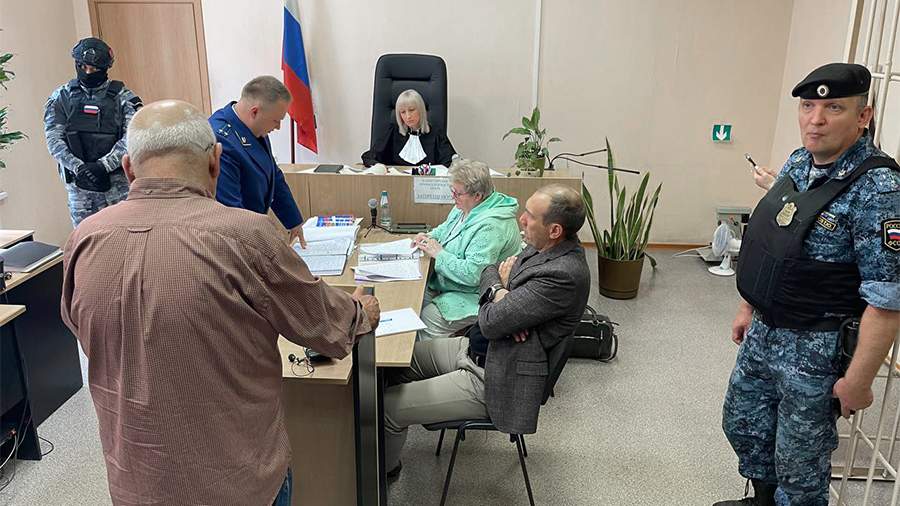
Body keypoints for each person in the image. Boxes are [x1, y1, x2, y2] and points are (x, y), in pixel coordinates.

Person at [60, 99, 380, 506]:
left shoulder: (84, 238)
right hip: (239, 482)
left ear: (128, 168)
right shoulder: (246, 236)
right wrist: (362, 311)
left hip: (135, 483)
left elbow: (81, 328)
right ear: (215, 160)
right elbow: (328, 329)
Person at [719, 63, 900, 506]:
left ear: (863, 116)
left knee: (800, 465)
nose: (815, 119)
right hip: (766, 331)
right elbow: (772, 244)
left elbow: (887, 300)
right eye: (807, 106)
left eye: (833, 107)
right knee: (745, 425)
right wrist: (748, 306)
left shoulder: (879, 188)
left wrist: (858, 381)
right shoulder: (799, 162)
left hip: (817, 347)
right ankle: (763, 498)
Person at [384, 184, 591, 477]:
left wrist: (501, 299)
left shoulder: (563, 274)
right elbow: (489, 269)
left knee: (387, 409)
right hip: (478, 348)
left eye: (530, 216)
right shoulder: (542, 246)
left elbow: (492, 321)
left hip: (496, 376)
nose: (521, 219)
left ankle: (383, 475)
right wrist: (502, 293)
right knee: (393, 365)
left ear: (555, 230)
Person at [411, 159, 521, 340]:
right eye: (452, 191)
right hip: (452, 282)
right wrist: (428, 237)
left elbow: (474, 274)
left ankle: (428, 357)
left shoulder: (491, 226)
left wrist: (439, 254)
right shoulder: (465, 206)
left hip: (479, 292)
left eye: (457, 193)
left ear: (477, 195)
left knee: (426, 320)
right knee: (414, 298)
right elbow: (446, 229)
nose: (453, 196)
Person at [43, 37, 142, 227]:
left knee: (125, 236)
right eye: (83, 67)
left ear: (105, 68)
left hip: (116, 185)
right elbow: (54, 140)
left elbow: (132, 137)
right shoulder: (61, 97)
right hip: (79, 187)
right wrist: (79, 167)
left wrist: (103, 165)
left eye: (94, 68)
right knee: (85, 239)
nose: (88, 72)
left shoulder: (124, 98)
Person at [209, 76, 306, 247]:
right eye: (276, 121)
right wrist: (267, 246)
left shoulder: (252, 126)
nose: (278, 127)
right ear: (254, 112)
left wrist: (294, 222)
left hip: (252, 231)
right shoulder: (221, 140)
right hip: (236, 240)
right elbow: (232, 211)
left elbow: (273, 175)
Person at [361, 89, 456, 167]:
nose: (408, 116)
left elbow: (452, 162)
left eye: (411, 110)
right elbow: (369, 156)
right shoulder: (393, 132)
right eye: (403, 112)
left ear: (421, 110)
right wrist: (378, 166)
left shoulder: (436, 134)